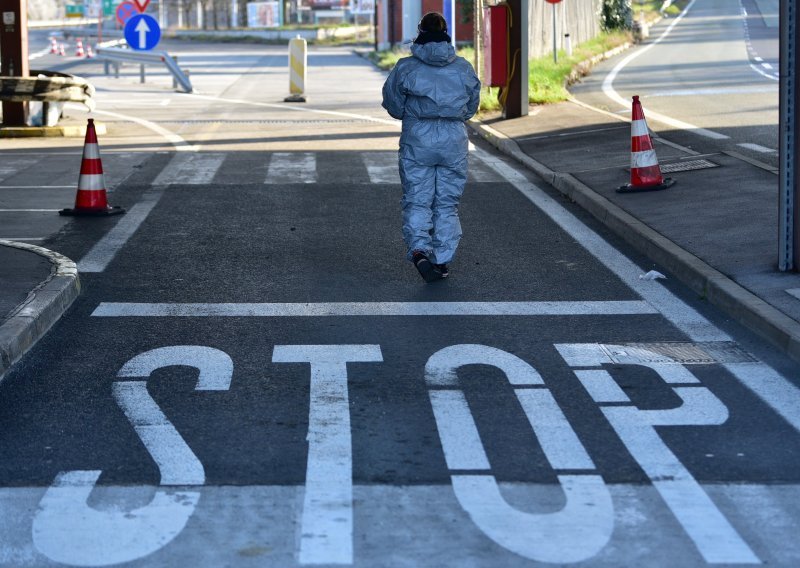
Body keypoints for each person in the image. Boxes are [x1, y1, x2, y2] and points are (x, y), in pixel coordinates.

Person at [381, 12, 481, 283]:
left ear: (420, 34)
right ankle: (442, 260)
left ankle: (419, 251)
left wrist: (411, 114)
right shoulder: (463, 68)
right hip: (453, 138)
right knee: (447, 204)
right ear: (446, 34)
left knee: (418, 199)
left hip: (418, 138)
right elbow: (471, 107)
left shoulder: (406, 67)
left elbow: (393, 104)